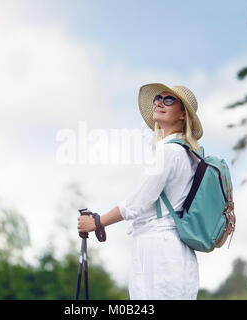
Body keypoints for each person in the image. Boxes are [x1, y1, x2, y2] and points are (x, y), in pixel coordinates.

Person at [77, 83, 203, 300]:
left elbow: (136, 203)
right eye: (157, 99)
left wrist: (97, 222)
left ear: (183, 114)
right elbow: (148, 134)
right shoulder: (186, 152)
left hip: (159, 253)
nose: (159, 103)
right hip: (173, 252)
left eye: (169, 100)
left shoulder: (168, 152)